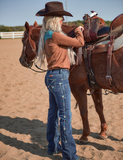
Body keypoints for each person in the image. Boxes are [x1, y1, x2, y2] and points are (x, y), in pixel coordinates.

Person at [36, 1, 85, 160]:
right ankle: (70, 155)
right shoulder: (56, 35)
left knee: (53, 113)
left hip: (51, 76)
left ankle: (53, 146)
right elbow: (80, 43)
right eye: (61, 18)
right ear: (54, 19)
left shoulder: (47, 35)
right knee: (65, 116)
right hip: (59, 77)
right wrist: (78, 30)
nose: (63, 20)